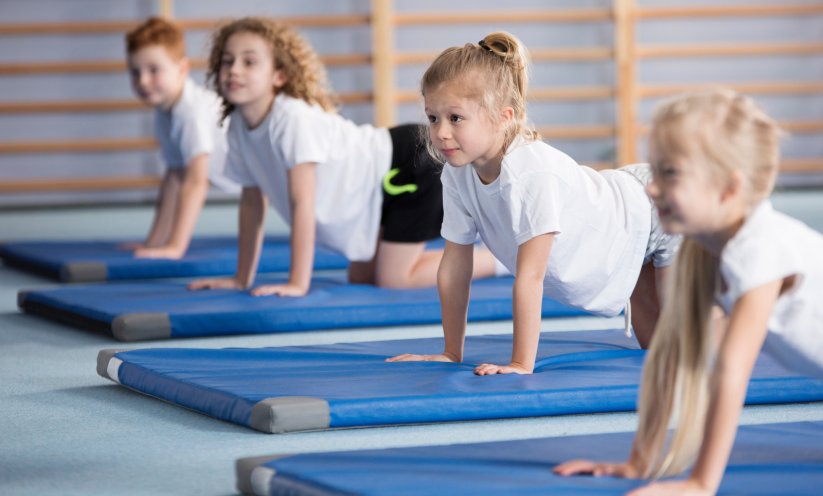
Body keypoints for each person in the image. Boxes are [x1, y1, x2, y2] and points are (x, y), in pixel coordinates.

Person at [553, 89, 823, 496]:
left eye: (670, 174)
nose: (651, 189)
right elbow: (671, 357)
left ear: (729, 188)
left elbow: (731, 372)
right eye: (655, 172)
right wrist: (640, 461)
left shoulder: (759, 249)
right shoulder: (703, 251)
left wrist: (702, 482)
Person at [387, 32, 679, 374]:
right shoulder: (456, 174)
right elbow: (454, 265)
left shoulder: (529, 175)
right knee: (656, 353)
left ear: (503, 117)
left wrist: (520, 363)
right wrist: (452, 352)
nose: (440, 133)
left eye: (456, 118)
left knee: (684, 343)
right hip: (624, 231)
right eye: (432, 117)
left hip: (655, 209)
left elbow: (530, 277)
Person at [189, 17, 497, 297]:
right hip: (374, 191)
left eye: (249, 62)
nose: (234, 70)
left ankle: (496, 260)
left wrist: (298, 282)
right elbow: (252, 202)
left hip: (408, 165)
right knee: (362, 278)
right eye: (227, 61)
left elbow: (302, 204)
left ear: (279, 75)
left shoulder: (291, 119)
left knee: (394, 279)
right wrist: (241, 279)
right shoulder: (237, 127)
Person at [124, 17, 238, 259]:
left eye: (154, 70)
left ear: (182, 69)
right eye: (135, 72)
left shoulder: (190, 113)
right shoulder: (165, 111)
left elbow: (196, 182)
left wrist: (175, 247)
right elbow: (175, 176)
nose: (143, 81)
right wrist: (154, 242)